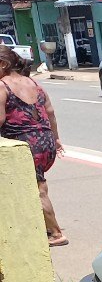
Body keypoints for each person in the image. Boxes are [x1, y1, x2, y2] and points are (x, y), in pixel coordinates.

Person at [0, 47, 66, 246]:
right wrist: (56, 139)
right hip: (46, 142)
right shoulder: (34, 83)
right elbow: (51, 113)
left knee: (39, 189)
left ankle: (56, 233)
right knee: (35, 185)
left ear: (3, 64)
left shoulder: (3, 86)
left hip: (26, 145)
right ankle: (41, 226)